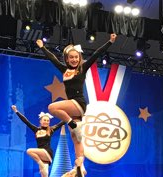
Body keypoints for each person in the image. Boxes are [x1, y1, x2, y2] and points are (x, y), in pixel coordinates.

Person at [37, 35, 116, 165]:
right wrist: (42, 47)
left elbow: (96, 54)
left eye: (76, 57)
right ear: (67, 59)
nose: (74, 59)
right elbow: (53, 59)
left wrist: (110, 42)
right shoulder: (64, 70)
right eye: (71, 57)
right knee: (76, 138)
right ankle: (80, 164)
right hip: (72, 107)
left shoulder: (82, 69)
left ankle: (72, 124)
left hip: (78, 103)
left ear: (79, 58)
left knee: (52, 108)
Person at [12, 105, 64, 177]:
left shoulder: (51, 130)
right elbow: (26, 122)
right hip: (41, 156)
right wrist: (16, 111)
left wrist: (71, 117)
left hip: (47, 153)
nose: (46, 122)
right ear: (40, 121)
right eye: (45, 120)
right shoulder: (36, 130)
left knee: (29, 151)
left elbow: (62, 123)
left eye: (48, 121)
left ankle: (39, 163)